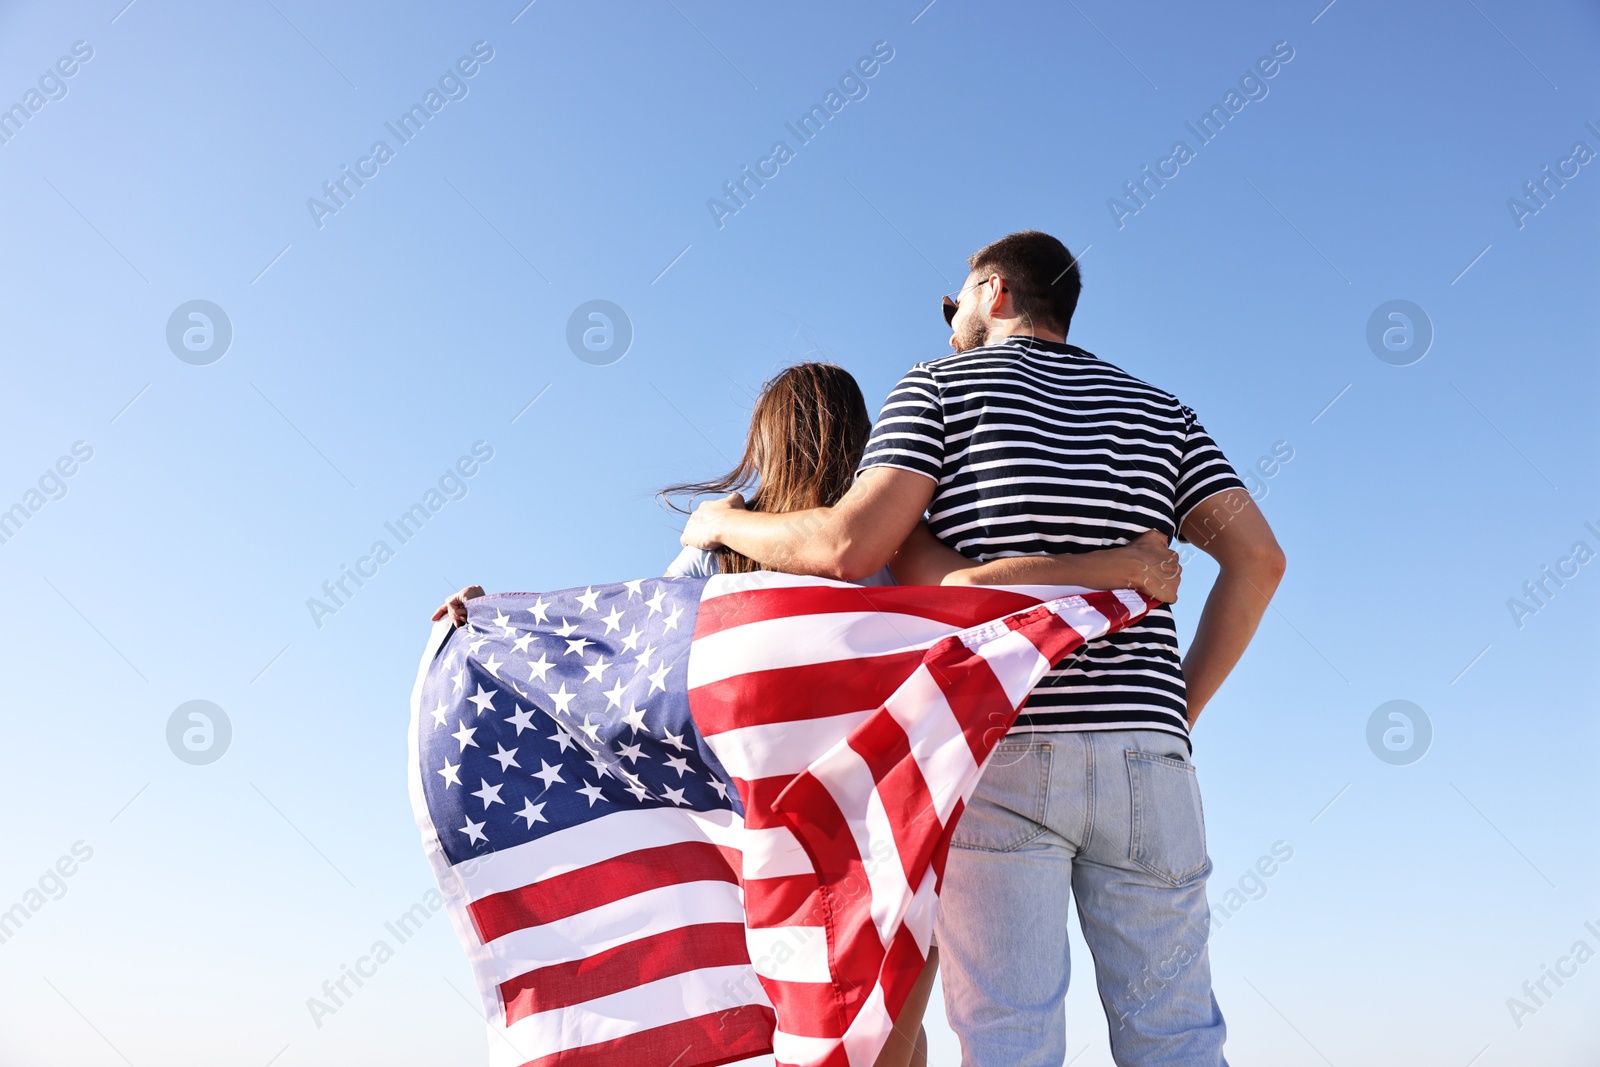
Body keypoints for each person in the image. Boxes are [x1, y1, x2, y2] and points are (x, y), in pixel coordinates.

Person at [434, 359, 1186, 1067]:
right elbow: (979, 596)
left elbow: (625, 666)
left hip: (771, 838)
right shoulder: (891, 548)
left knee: (825, 1036)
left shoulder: (721, 548)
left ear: (763, 440)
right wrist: (1115, 571)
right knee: (891, 1030)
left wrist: (491, 621)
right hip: (889, 835)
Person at [681, 231, 1287, 1066]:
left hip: (1001, 744)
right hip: (1148, 755)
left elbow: (853, 548)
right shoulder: (1163, 412)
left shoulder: (935, 390)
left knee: (1009, 1037)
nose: (947, 321)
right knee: (1177, 1035)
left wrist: (713, 520)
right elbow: (1260, 560)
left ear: (994, 292)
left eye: (952, 303)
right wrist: (1173, 712)